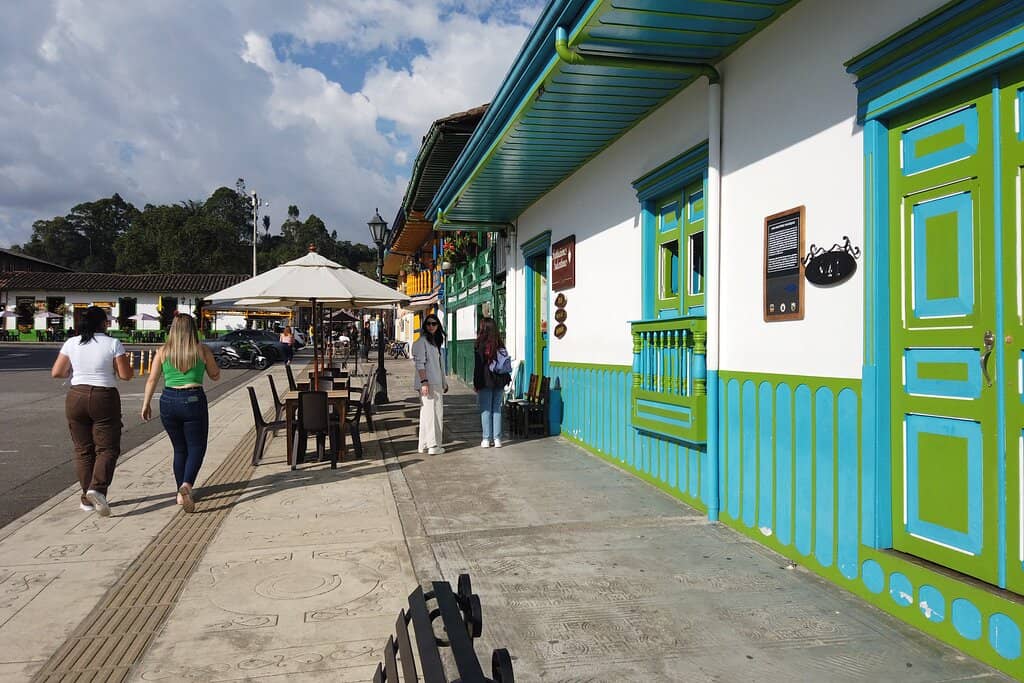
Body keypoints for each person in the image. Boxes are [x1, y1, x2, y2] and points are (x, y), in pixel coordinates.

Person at [50, 306, 133, 516]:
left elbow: (57, 372)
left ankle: (86, 499)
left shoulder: (71, 343)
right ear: (103, 323)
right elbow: (125, 375)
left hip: (76, 395)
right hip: (103, 397)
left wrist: (77, 369)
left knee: (83, 450)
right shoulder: (113, 343)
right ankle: (97, 488)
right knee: (107, 448)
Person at [140, 313, 221, 513]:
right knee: (196, 446)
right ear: (193, 329)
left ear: (173, 330)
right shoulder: (201, 350)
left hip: (168, 400)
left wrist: (146, 403)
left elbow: (152, 379)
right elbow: (215, 375)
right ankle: (187, 485)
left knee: (179, 448)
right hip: (193, 399)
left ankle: (179, 493)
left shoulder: (163, 351)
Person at [411, 314, 448, 455]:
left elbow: (439, 365)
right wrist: (424, 382)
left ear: (438, 326)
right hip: (428, 382)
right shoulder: (422, 342)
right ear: (425, 326)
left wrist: (444, 382)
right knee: (433, 414)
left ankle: (424, 444)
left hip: (436, 382)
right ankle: (433, 445)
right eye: (428, 324)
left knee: (427, 414)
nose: (431, 326)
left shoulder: (434, 342)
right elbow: (420, 364)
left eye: (434, 324)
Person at [473, 317, 509, 448]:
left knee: (486, 409)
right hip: (499, 380)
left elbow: (478, 367)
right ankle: (497, 439)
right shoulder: (499, 343)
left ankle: (486, 439)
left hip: (485, 380)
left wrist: (476, 383)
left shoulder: (479, 344)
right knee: (497, 408)